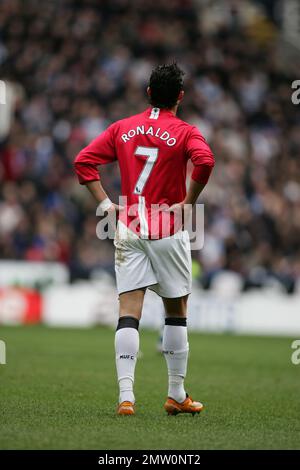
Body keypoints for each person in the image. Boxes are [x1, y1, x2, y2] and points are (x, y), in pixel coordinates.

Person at [74, 63, 215, 416]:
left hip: (129, 226)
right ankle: (176, 394)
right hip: (168, 228)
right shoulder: (185, 132)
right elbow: (205, 161)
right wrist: (188, 202)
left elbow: (83, 162)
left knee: (128, 312)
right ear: (180, 97)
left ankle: (126, 397)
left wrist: (106, 204)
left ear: (149, 92)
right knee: (176, 312)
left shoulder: (123, 128)